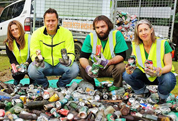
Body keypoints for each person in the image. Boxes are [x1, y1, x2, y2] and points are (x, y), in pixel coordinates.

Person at [123, 19, 176, 104]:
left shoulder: (163, 44)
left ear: (151, 30)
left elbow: (169, 66)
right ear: (138, 34)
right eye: (140, 31)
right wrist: (130, 68)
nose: (143, 33)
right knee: (126, 75)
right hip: (145, 74)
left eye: (146, 29)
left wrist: (159, 71)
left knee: (169, 78)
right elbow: (133, 62)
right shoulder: (135, 45)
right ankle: (143, 92)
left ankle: (162, 97)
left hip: (160, 75)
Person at [28, 8, 79, 88]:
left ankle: (61, 84)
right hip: (44, 64)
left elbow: (71, 52)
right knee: (32, 70)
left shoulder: (67, 33)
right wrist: (37, 60)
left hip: (61, 64)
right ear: (44, 21)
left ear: (57, 21)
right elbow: (33, 52)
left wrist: (69, 60)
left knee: (75, 68)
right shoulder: (36, 34)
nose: (50, 23)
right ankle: (44, 85)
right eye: (48, 21)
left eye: (53, 20)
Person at [79, 15, 128, 88]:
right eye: (97, 28)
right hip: (95, 67)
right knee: (82, 66)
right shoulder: (90, 36)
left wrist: (108, 62)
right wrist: (88, 68)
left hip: (110, 66)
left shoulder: (116, 34)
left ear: (109, 26)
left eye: (103, 27)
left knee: (121, 66)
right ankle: (90, 86)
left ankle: (116, 86)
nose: (100, 30)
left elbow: (122, 56)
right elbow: (82, 57)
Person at [4, 20, 34, 85]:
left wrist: (26, 64)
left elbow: (33, 54)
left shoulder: (29, 38)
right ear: (10, 32)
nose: (15, 31)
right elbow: (11, 59)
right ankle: (16, 82)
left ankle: (33, 83)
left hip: (30, 64)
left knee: (33, 72)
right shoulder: (8, 43)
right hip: (18, 66)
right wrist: (17, 66)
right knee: (15, 74)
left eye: (16, 29)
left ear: (20, 28)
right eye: (12, 30)